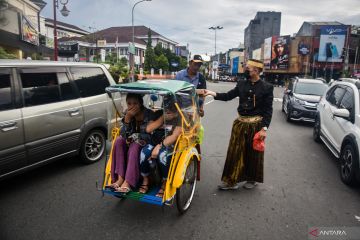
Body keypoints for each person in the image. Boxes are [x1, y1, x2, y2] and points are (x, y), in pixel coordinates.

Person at [205, 59, 274, 190]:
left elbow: (268, 110)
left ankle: (251, 179)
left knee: (253, 154)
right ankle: (231, 181)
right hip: (240, 124)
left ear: (257, 70)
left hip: (256, 125)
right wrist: (212, 93)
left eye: (248, 68)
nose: (246, 69)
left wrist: (264, 128)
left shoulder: (267, 87)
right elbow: (228, 96)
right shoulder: (242, 84)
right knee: (234, 153)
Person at [107, 93, 160, 193]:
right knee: (118, 140)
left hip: (147, 144)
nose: (131, 106)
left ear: (140, 103)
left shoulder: (149, 114)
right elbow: (123, 134)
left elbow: (152, 136)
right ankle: (120, 179)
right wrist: (127, 119)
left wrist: (135, 138)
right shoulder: (128, 114)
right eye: (129, 103)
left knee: (135, 144)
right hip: (132, 142)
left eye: (135, 103)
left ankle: (128, 182)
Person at [138, 96, 182, 197]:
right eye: (166, 106)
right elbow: (148, 129)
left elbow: (175, 136)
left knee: (162, 155)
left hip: (170, 145)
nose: (169, 109)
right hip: (154, 141)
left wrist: (160, 146)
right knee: (144, 153)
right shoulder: (158, 114)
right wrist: (163, 118)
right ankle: (146, 179)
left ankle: (165, 181)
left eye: (172, 107)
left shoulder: (181, 117)